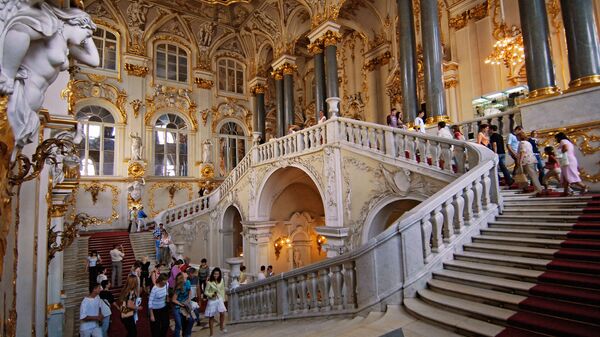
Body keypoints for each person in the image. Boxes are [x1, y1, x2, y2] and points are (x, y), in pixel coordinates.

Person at [204, 268, 227, 336]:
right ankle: (211, 333)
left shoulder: (222, 280)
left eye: (217, 274)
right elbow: (205, 292)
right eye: (214, 274)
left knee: (222, 313)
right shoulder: (209, 282)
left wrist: (223, 299)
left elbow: (222, 289)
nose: (216, 275)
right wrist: (211, 295)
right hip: (212, 300)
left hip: (219, 299)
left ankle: (221, 327)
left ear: (219, 274)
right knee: (211, 316)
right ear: (212, 274)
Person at [172, 273, 195, 337]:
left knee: (192, 320)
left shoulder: (188, 282)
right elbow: (173, 299)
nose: (186, 273)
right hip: (177, 307)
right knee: (179, 325)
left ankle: (187, 334)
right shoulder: (179, 287)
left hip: (186, 305)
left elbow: (190, 291)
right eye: (184, 273)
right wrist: (181, 304)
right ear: (182, 278)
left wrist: (189, 299)